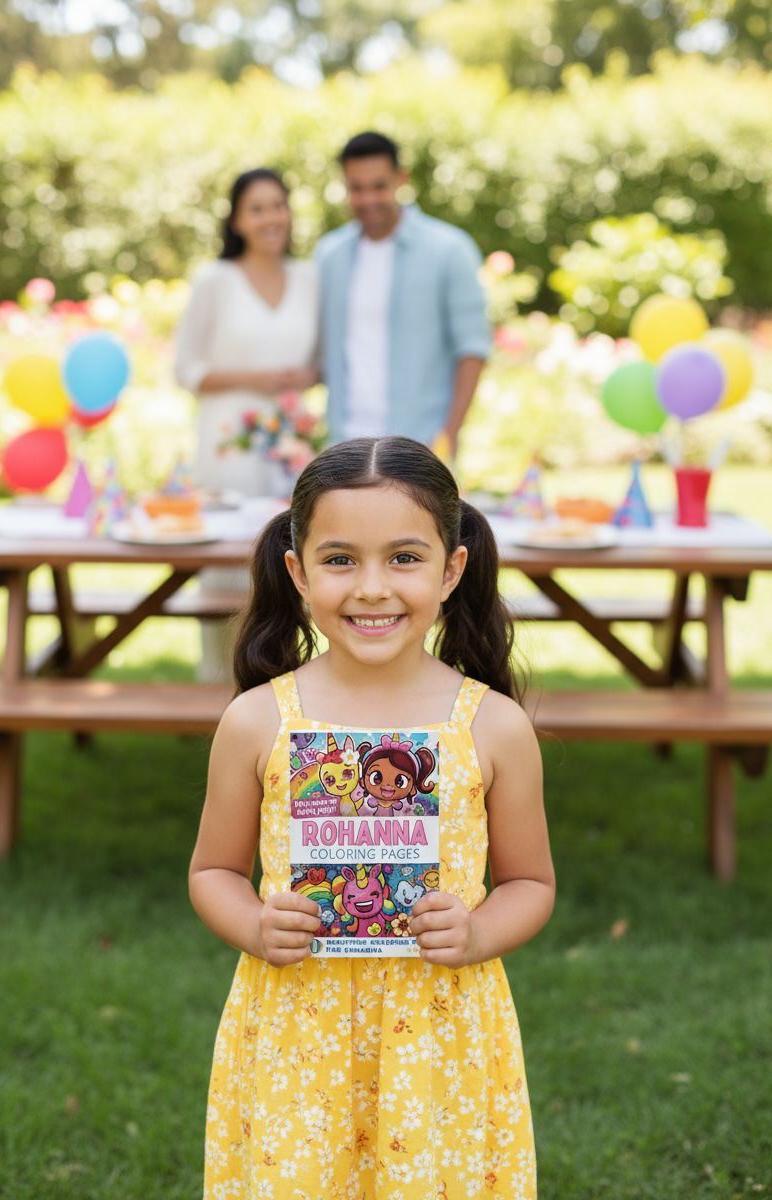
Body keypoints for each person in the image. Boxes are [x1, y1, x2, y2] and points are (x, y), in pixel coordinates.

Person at [189, 435, 555, 1198]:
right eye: (340, 559)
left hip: (439, 1032)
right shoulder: (258, 722)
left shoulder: (493, 727)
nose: (372, 588)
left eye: (404, 558)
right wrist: (255, 923)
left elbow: (531, 882)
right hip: (298, 1031)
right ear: (298, 572)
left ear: (452, 569)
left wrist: (480, 931)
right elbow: (213, 870)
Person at [174, 168, 319, 681]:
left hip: (289, 447)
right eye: (257, 208)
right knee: (225, 564)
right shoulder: (215, 280)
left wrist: (304, 377)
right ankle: (218, 685)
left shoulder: (310, 279)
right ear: (237, 219)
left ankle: (280, 685)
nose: (270, 217)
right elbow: (185, 368)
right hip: (227, 443)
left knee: (286, 562)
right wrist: (257, 378)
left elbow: (323, 360)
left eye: (278, 205)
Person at [315, 132, 491, 455]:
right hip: (343, 448)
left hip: (418, 450)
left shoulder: (450, 250)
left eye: (379, 186)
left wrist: (448, 435)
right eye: (356, 188)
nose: (368, 199)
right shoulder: (328, 256)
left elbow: (473, 350)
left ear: (401, 180)